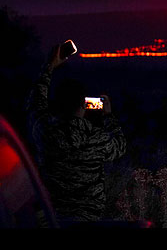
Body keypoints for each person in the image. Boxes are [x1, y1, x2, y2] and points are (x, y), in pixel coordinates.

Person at [25, 44, 126, 224]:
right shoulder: (97, 138)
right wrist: (109, 116)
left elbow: (35, 105)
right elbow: (120, 146)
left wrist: (48, 68)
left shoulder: (45, 131)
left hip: (50, 217)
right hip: (86, 218)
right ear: (84, 105)